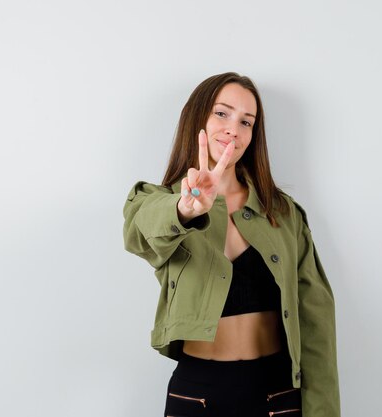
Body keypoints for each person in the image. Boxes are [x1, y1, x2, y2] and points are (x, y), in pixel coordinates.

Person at [123, 72, 340, 417]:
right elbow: (139, 235)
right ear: (197, 118)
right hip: (198, 395)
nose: (233, 129)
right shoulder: (158, 202)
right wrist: (185, 209)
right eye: (221, 113)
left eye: (246, 122)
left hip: (277, 393)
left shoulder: (283, 213)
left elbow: (316, 321)